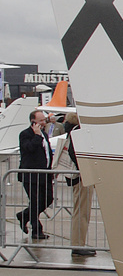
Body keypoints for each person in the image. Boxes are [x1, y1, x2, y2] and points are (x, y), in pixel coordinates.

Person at [57, 113, 95, 256]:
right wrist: (85, 169)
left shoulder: (70, 132)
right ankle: (78, 244)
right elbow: (75, 154)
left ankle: (78, 243)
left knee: (80, 210)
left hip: (77, 177)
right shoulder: (77, 132)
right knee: (81, 212)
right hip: (80, 177)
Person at [17, 109, 54, 240]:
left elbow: (47, 153)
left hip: (45, 173)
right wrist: (37, 136)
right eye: (41, 120)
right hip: (31, 175)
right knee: (35, 201)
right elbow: (29, 149)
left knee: (48, 199)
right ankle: (36, 230)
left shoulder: (44, 134)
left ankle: (24, 215)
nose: (44, 122)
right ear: (34, 122)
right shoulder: (25, 134)